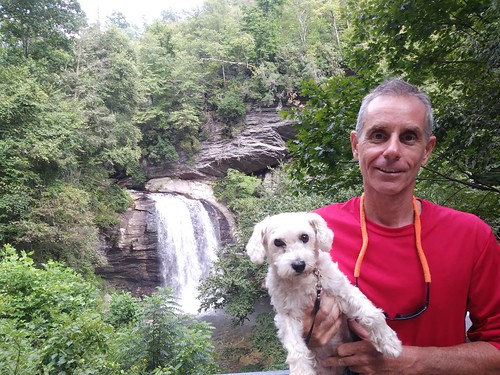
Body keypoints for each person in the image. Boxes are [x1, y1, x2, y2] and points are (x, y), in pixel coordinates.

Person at [303, 78, 500, 374]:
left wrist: (414, 362)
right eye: (379, 135)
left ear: (426, 150)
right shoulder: (314, 231)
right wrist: (306, 331)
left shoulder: (471, 235)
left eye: (408, 137)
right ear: (356, 145)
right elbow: (293, 315)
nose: (392, 150)